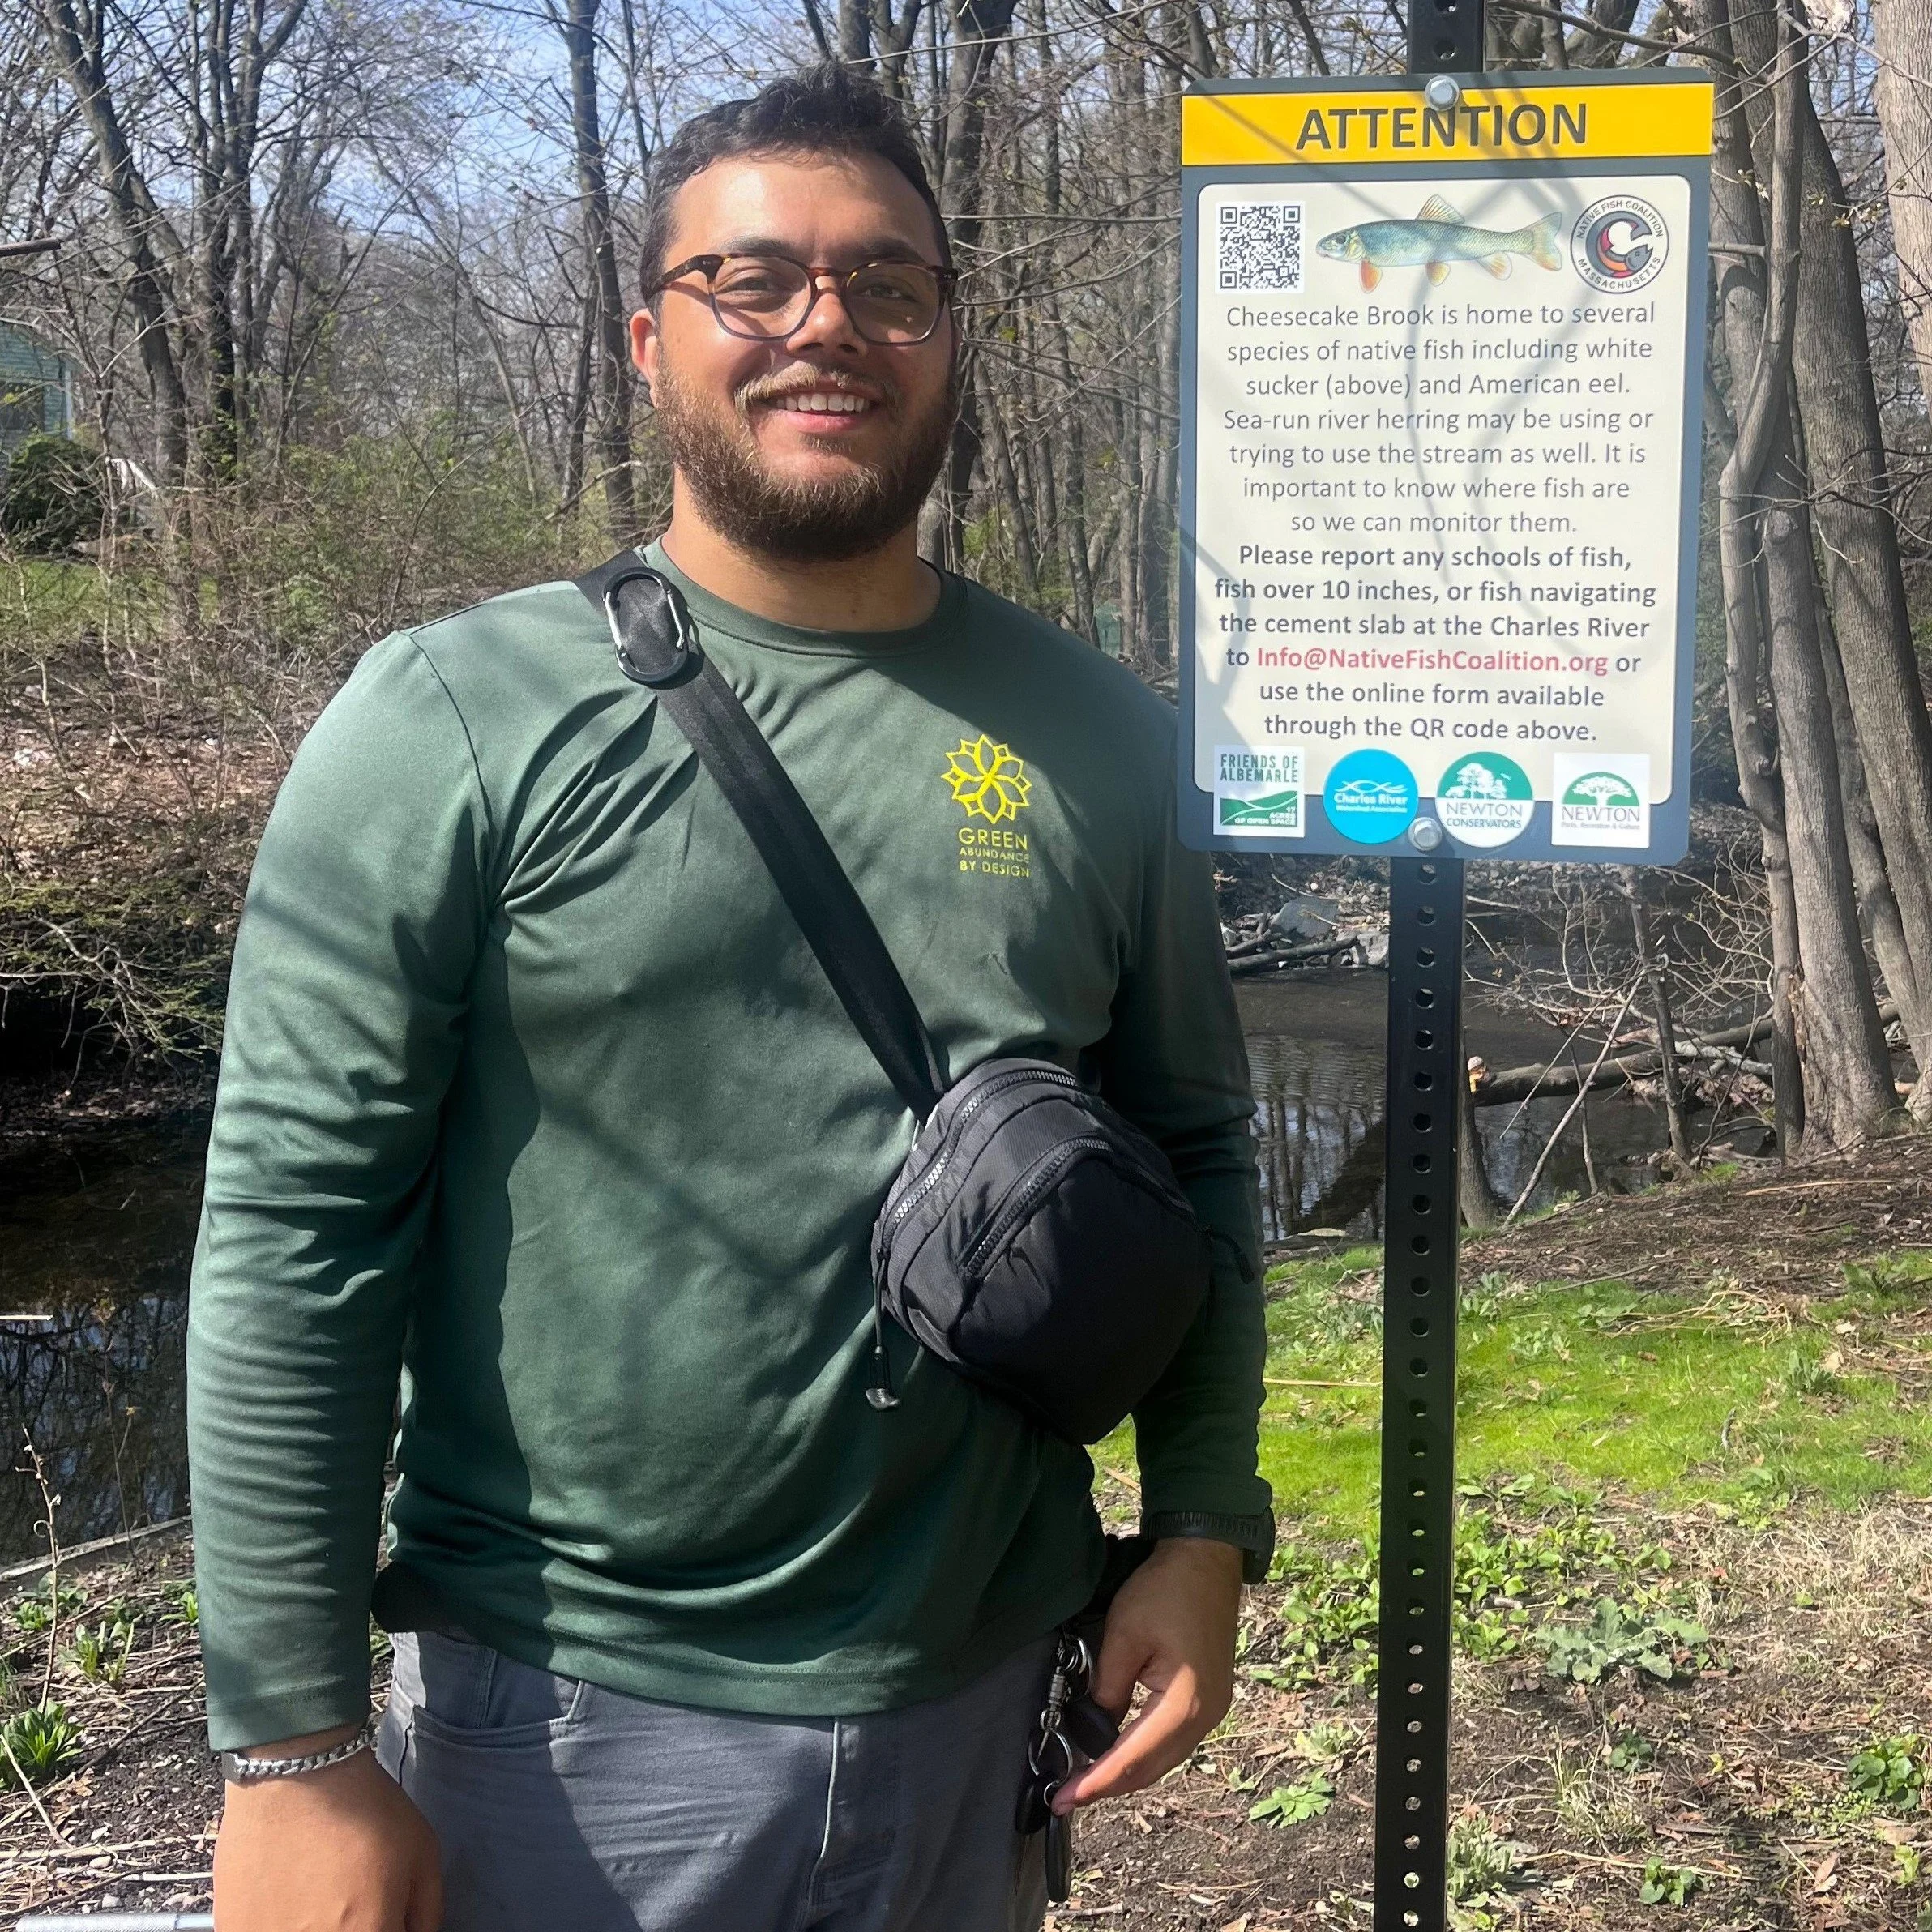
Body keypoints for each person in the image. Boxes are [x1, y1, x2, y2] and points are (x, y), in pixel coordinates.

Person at [192, 62, 1272, 1932]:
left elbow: (1193, 1148)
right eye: (754, 281)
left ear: (947, 330)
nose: (826, 325)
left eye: (886, 283)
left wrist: (1198, 1530)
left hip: (981, 1699)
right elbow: (297, 1230)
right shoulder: (452, 718)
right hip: (568, 1731)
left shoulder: (1102, 735)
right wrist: (290, 1749)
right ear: (647, 336)